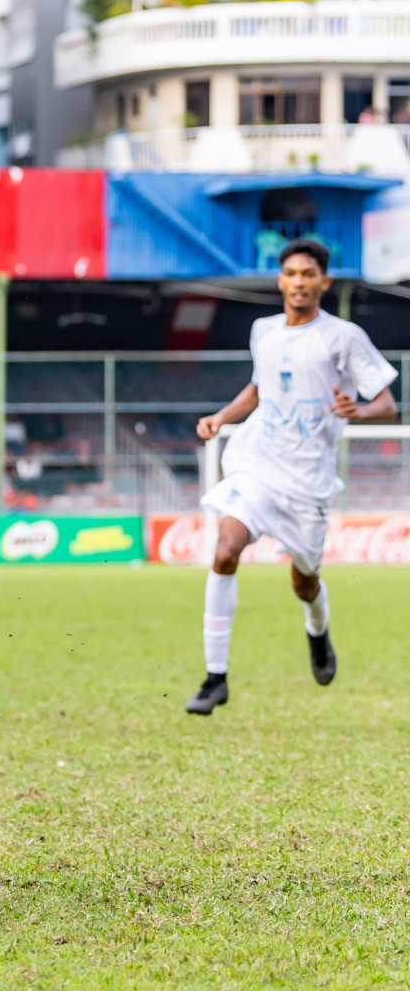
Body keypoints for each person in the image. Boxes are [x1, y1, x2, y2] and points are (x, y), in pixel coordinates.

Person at [185, 238, 398, 715]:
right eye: (291, 274)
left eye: (308, 274)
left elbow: (386, 403)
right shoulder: (264, 330)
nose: (299, 282)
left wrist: (358, 412)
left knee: (305, 582)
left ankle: (318, 633)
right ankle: (215, 678)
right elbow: (258, 389)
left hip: (308, 483)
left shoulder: (343, 336)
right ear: (280, 280)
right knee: (224, 550)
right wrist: (221, 416)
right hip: (257, 465)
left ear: (323, 281)